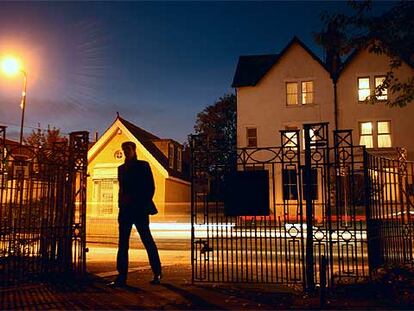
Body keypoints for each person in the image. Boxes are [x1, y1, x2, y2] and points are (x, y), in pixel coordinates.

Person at [110, 141, 162, 287]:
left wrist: (139, 201)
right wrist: (121, 204)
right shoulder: (121, 169)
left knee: (147, 241)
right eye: (123, 149)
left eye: (128, 149)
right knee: (123, 244)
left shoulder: (143, 165)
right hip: (125, 211)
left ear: (134, 150)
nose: (126, 151)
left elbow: (150, 187)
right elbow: (121, 189)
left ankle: (157, 272)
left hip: (139, 210)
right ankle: (121, 276)